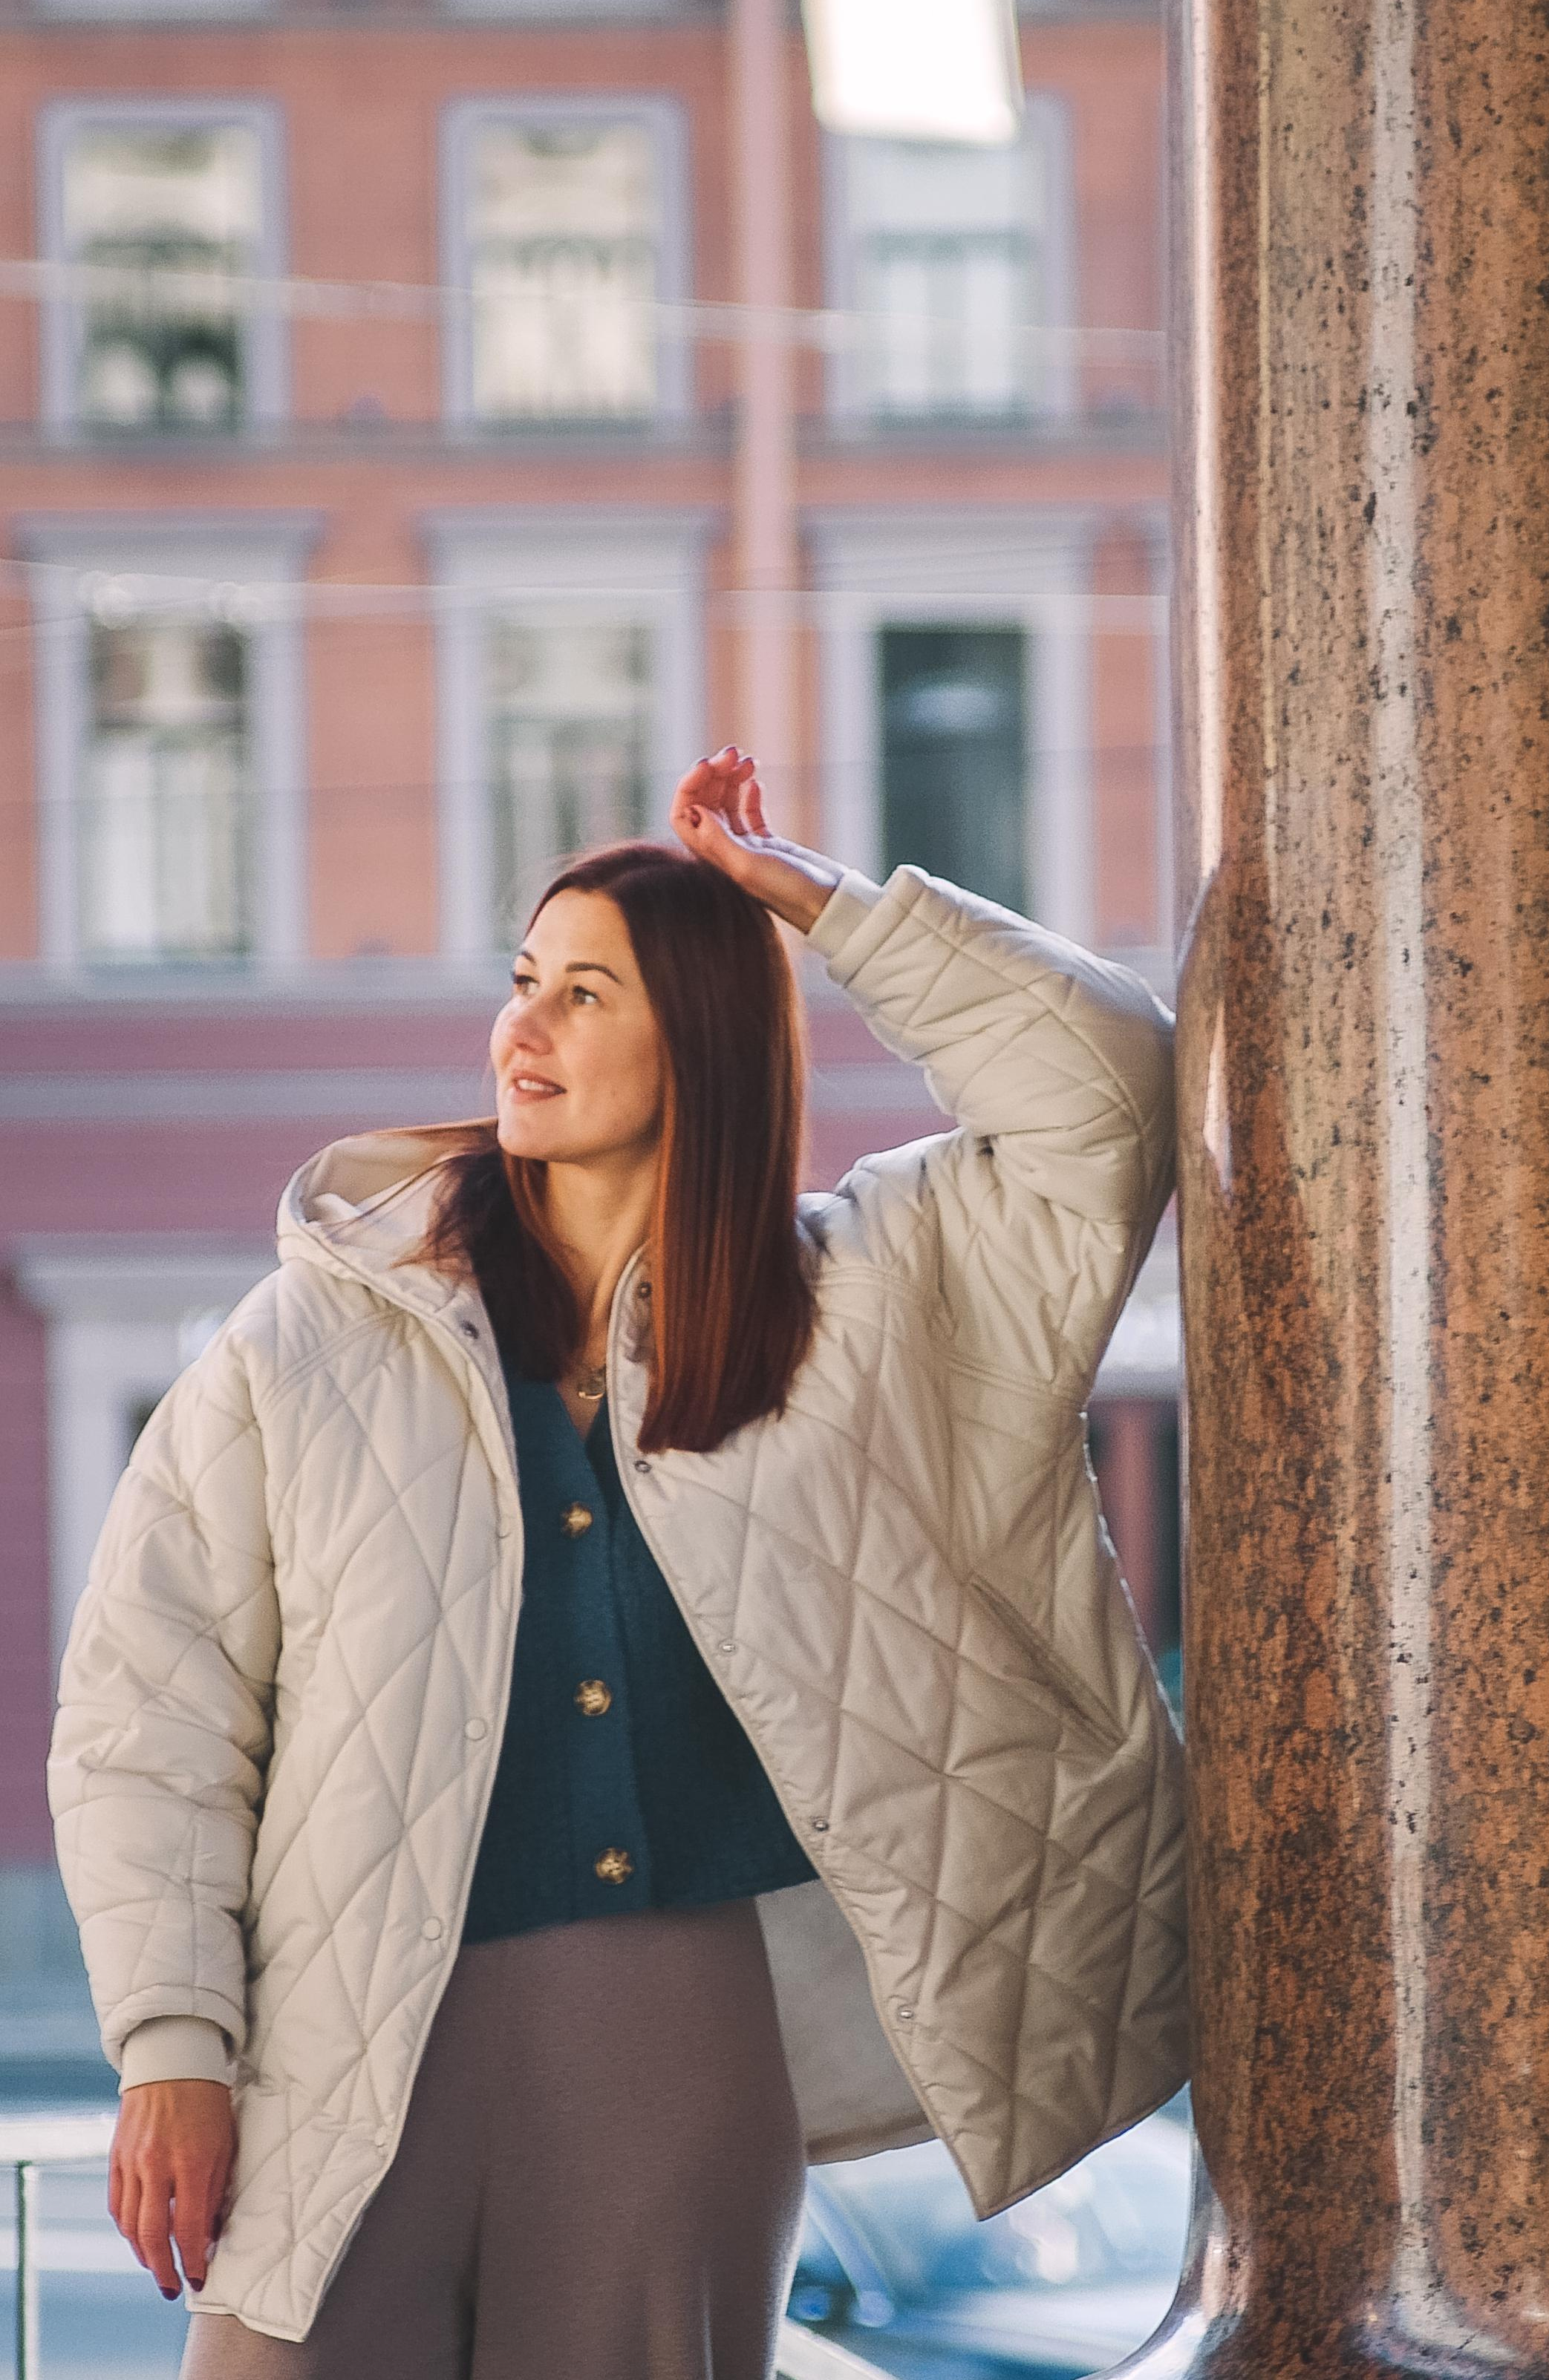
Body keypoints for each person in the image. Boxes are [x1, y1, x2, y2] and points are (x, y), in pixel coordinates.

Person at [49, 748, 1189, 2379]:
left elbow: (1112, 1096)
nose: (527, 1026)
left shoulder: (872, 1298)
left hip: (678, 2035)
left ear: (705, 1037)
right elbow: (148, 1705)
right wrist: (170, 2042)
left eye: (590, 993)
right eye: (525, 981)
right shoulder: (315, 1334)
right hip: (334, 2029)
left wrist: (819, 901)